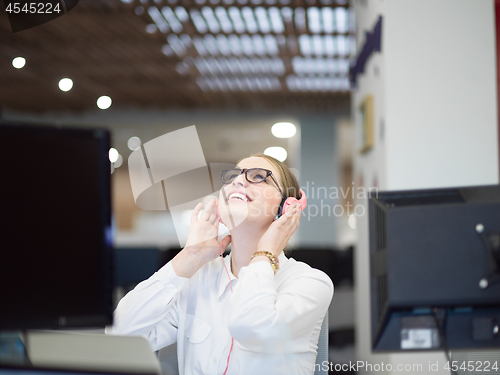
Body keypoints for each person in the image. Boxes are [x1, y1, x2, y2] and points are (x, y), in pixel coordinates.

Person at [106, 154, 334, 375]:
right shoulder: (197, 279)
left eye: (257, 176)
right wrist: (189, 256)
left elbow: (252, 326)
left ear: (285, 207)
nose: (238, 180)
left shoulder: (310, 283)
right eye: (234, 175)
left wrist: (265, 253)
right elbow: (118, 334)